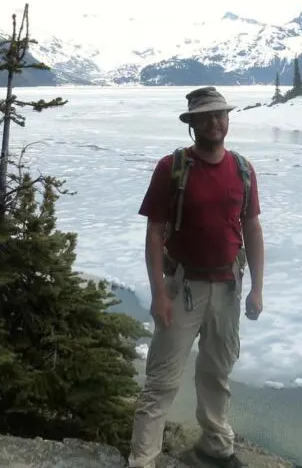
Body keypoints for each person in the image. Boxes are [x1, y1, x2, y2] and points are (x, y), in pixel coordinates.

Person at [127, 86, 264, 468]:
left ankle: (216, 444)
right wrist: (159, 295)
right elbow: (155, 232)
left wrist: (257, 288)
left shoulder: (242, 169)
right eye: (205, 117)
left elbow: (251, 229)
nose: (215, 122)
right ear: (192, 124)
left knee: (216, 370)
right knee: (162, 378)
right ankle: (143, 459)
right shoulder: (172, 168)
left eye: (220, 114)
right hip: (183, 286)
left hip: (228, 286)